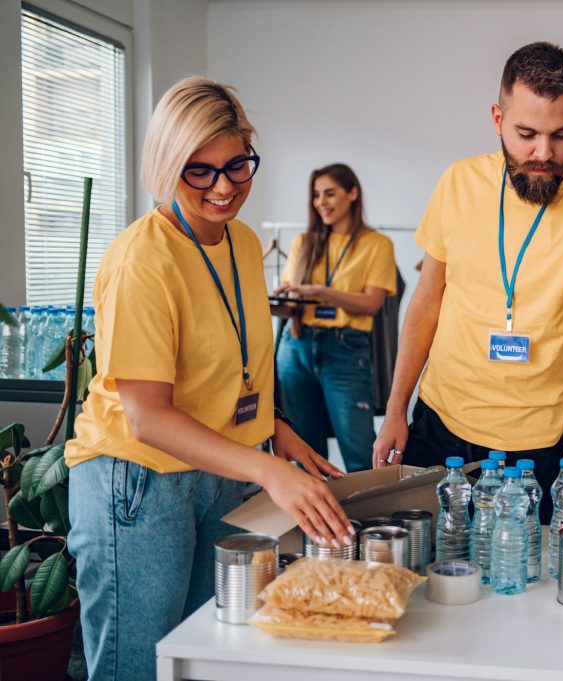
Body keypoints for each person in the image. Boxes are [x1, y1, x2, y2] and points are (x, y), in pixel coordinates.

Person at [64, 77, 354, 681]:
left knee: (203, 660)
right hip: (138, 481)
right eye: (200, 171)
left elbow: (229, 366)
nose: (224, 188)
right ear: (168, 165)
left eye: (237, 165)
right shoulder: (141, 259)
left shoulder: (243, 244)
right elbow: (147, 414)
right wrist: (269, 471)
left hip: (221, 471)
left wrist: (278, 431)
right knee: (138, 669)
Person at [373, 42, 563, 544]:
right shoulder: (457, 184)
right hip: (438, 425)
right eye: (526, 134)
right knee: (425, 583)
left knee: (518, 593)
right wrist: (396, 408)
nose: (544, 154)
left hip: (531, 453)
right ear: (497, 118)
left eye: (561, 134)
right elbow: (427, 302)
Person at [273, 164, 397, 472]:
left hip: (346, 350)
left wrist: (320, 291)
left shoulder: (377, 244)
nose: (321, 202)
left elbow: (370, 304)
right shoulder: (303, 243)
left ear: (352, 193)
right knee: (304, 452)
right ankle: (313, 520)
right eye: (316, 195)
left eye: (329, 193)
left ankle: (368, 519)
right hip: (296, 345)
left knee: (359, 453)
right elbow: (291, 309)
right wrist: (269, 303)